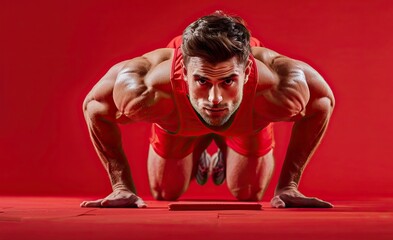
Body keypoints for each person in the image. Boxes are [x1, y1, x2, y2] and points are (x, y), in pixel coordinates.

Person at [80, 11, 335, 208]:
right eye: (202, 81)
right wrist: (120, 185)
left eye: (227, 82)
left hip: (246, 113)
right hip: (179, 116)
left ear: (246, 74)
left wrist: (289, 185)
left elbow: (323, 102)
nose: (214, 99)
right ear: (183, 73)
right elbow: (95, 106)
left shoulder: (276, 85)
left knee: (249, 194)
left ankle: (217, 143)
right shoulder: (147, 86)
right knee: (165, 192)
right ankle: (203, 143)